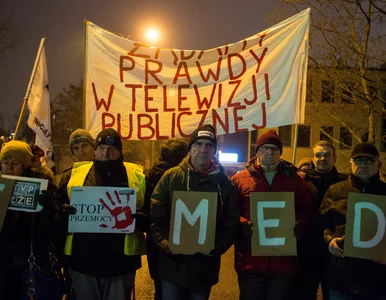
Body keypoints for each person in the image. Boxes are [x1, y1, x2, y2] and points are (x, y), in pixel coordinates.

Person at [150, 124, 239, 300]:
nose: (203, 149)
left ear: (214, 151)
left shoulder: (224, 183)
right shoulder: (171, 177)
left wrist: (216, 248)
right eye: (198, 144)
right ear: (189, 150)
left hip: (204, 268)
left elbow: (231, 222)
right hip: (173, 266)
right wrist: (166, 245)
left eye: (209, 145)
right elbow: (156, 217)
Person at [57, 128, 147, 300]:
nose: (106, 153)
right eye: (102, 149)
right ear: (95, 151)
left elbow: (149, 209)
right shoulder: (74, 174)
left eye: (112, 149)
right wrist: (62, 213)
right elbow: (58, 207)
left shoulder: (135, 175)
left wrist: (143, 219)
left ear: (119, 152)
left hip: (121, 262)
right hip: (83, 260)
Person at [231, 130, 314, 300]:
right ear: (257, 151)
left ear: (280, 153)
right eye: (265, 148)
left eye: (275, 149)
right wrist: (241, 224)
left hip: (283, 262)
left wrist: (301, 224)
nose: (270, 152)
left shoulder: (295, 180)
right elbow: (230, 211)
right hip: (250, 261)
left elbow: (307, 208)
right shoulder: (239, 180)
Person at [320, 143, 386, 300]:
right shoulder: (335, 191)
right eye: (358, 161)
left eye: (369, 161)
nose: (363, 165)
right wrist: (329, 241)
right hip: (341, 278)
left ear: (379, 164)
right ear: (350, 163)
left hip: (377, 280)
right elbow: (320, 224)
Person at [0, 140, 58, 300]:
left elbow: (49, 230)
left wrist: (47, 208)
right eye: (5, 162)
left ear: (25, 166)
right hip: (3, 264)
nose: (9, 167)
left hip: (28, 262)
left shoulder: (40, 189)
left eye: (15, 163)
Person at [295, 141, 348, 300]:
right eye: (318, 155)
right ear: (313, 158)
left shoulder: (344, 185)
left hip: (335, 252)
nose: (322, 158)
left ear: (334, 158)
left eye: (327, 155)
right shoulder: (301, 183)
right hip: (306, 250)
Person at [146, 138, 188, 300]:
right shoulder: (181, 176)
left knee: (161, 287)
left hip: (156, 239)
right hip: (180, 236)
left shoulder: (152, 175)